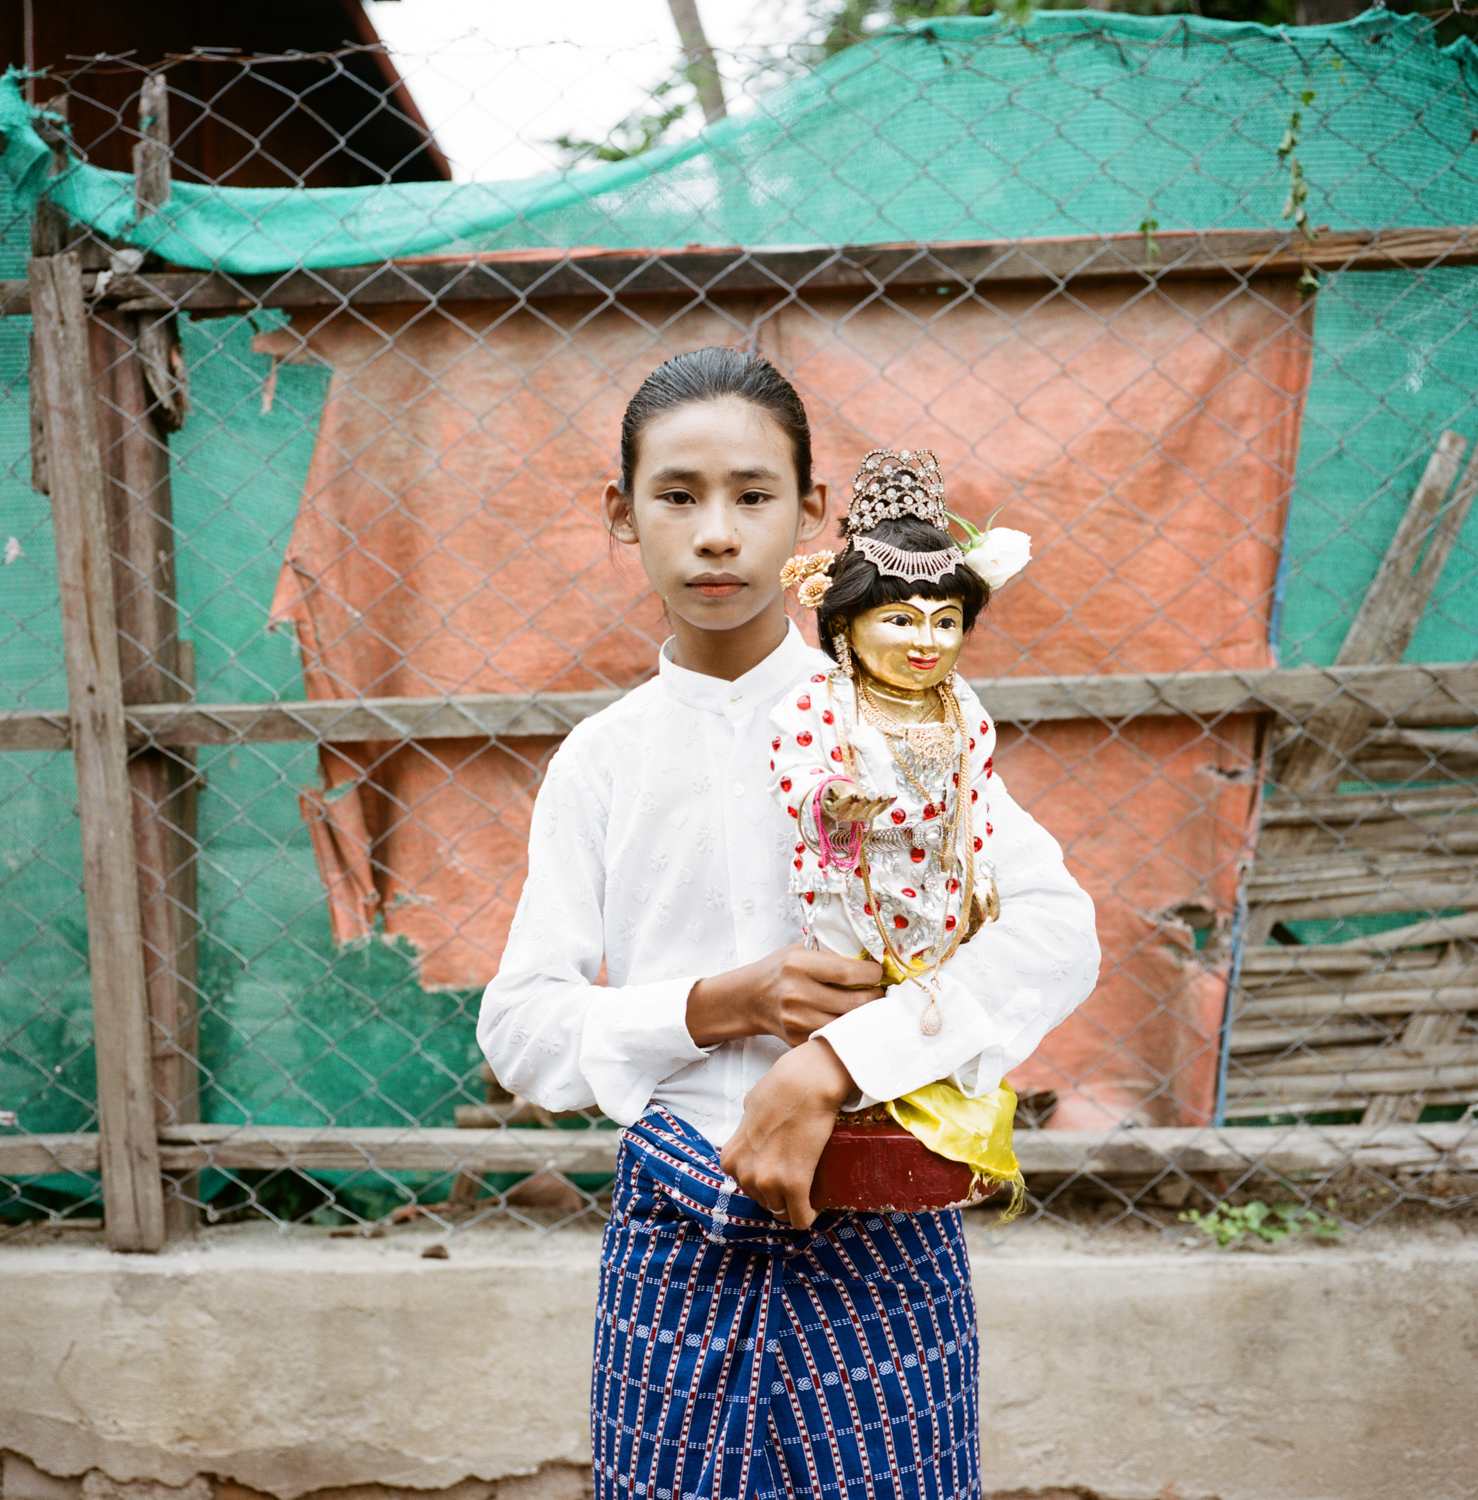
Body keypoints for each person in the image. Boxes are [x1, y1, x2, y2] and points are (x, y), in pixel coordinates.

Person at [478, 347, 1099, 1500]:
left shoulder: (917, 721)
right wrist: (716, 1007)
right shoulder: (599, 762)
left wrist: (834, 1061)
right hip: (674, 1234)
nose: (716, 533)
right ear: (622, 514)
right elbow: (521, 1030)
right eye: (676, 495)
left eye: (753, 496)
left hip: (880, 1221)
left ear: (810, 513)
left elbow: (1055, 931)